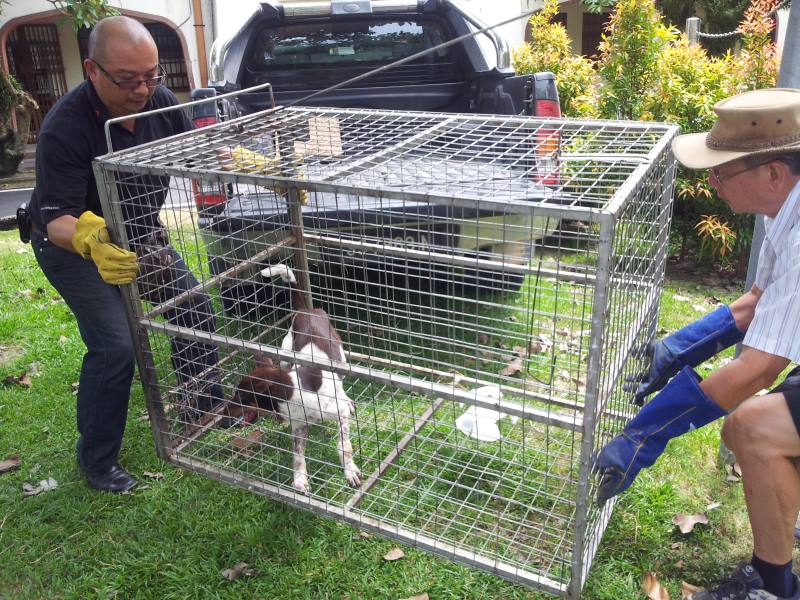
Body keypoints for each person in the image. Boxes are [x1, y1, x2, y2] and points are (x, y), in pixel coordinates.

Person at [594, 87, 800, 599]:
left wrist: (648, 432)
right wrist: (676, 351)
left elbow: (758, 369)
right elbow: (755, 304)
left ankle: (774, 587)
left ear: (773, 173)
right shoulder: (783, 212)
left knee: (753, 426)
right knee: (745, 435)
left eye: (722, 171)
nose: (711, 182)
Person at [28, 16, 221, 494]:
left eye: (153, 75)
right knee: (116, 346)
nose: (144, 89)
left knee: (193, 308)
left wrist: (247, 163)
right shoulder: (64, 127)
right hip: (71, 245)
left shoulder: (160, 102)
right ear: (92, 69)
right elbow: (54, 218)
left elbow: (194, 154)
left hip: (140, 234)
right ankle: (97, 462)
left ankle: (204, 408)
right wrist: (92, 239)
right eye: (129, 79)